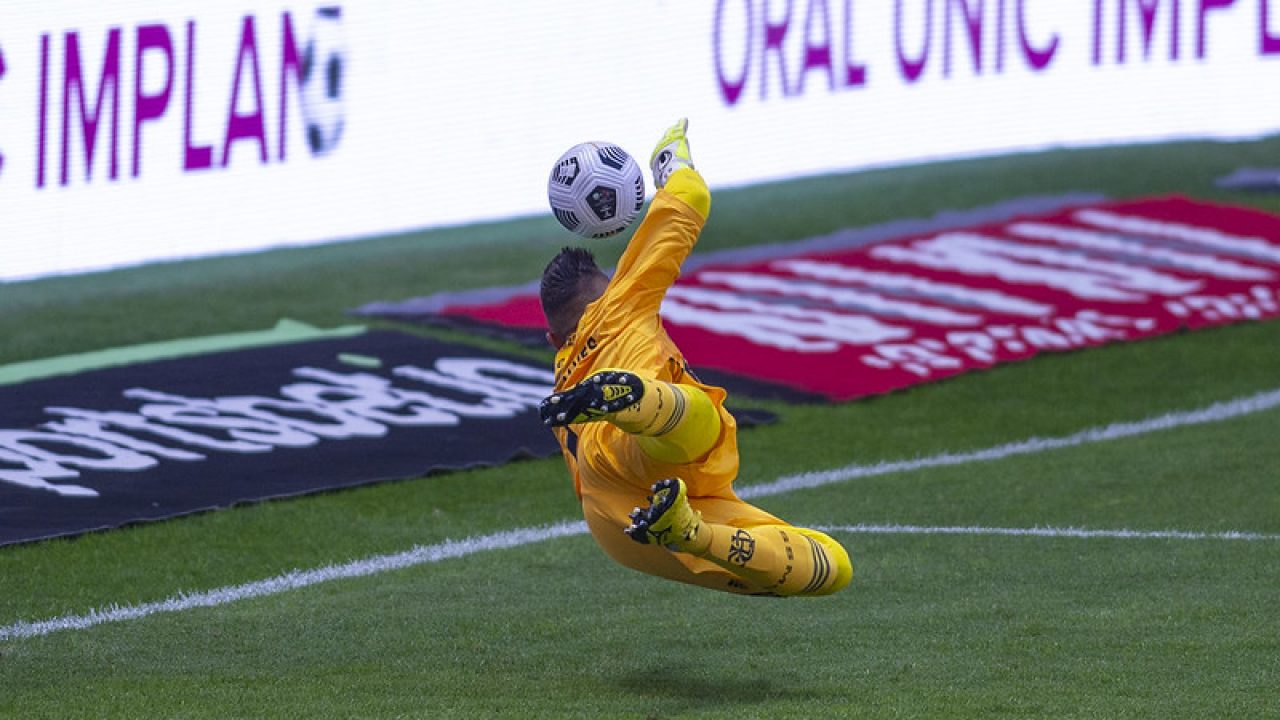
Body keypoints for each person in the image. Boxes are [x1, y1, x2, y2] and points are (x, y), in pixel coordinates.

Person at [538, 119, 852, 597]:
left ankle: (691, 531)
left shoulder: (563, 381)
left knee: (830, 563)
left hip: (613, 519)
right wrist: (672, 161)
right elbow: (691, 201)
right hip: (645, 441)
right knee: (700, 418)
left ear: (550, 339)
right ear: (606, 286)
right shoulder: (623, 298)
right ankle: (634, 400)